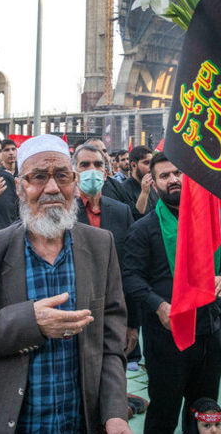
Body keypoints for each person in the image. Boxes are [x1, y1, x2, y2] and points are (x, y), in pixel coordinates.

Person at [0, 134, 131, 434]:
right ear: (19, 187)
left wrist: (115, 412)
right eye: (38, 177)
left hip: (81, 422)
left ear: (75, 182)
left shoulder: (100, 245)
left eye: (62, 177)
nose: (52, 188)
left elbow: (110, 340)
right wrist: (30, 323)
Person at [121, 152, 221, 433]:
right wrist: (158, 305)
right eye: (164, 176)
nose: (173, 180)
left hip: (210, 332)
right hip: (167, 337)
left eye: (178, 173)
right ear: (155, 182)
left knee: (205, 410)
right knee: (164, 410)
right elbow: (130, 277)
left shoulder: (208, 222)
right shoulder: (144, 229)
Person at [72, 144, 138, 369]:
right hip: (76, 311)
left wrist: (133, 323)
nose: (92, 170)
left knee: (113, 370)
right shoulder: (64, 212)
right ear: (74, 172)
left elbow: (131, 269)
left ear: (107, 171)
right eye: (85, 165)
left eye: (98, 164)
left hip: (112, 310)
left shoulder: (121, 211)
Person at [114, 145, 157, 219]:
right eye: (146, 163)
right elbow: (135, 217)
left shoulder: (153, 186)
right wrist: (144, 193)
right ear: (134, 165)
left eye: (152, 163)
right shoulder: (123, 189)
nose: (151, 167)